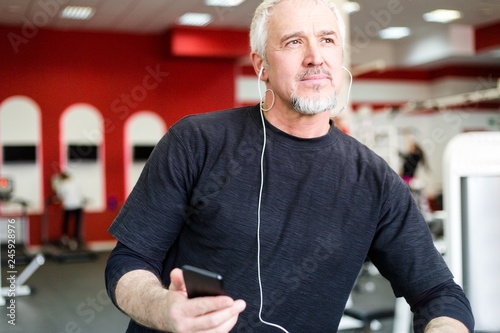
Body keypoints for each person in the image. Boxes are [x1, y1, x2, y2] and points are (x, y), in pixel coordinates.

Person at [105, 1, 474, 332]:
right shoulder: (196, 141)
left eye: (327, 40)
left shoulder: (374, 181)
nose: (316, 56)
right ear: (260, 66)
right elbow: (128, 260)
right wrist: (161, 307)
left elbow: (439, 294)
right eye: (294, 42)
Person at [55, 171, 84, 250]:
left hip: (68, 206)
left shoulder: (63, 184)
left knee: (66, 222)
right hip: (78, 205)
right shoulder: (75, 183)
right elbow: (80, 194)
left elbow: (59, 195)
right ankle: (75, 239)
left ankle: (65, 237)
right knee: (76, 224)